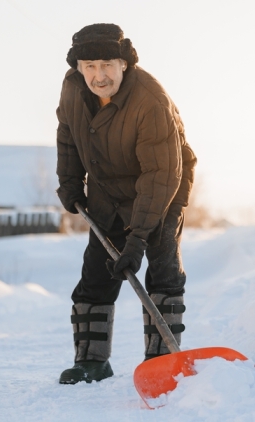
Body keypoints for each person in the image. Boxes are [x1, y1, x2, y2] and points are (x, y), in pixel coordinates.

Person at [55, 23, 196, 384]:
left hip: (162, 186)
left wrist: (137, 240)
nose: (99, 76)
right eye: (90, 65)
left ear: (124, 64)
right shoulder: (73, 89)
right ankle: (92, 362)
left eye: (107, 64)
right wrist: (70, 181)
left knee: (162, 269)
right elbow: (68, 134)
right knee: (96, 273)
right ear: (78, 67)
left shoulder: (150, 100)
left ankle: (161, 362)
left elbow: (161, 174)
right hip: (106, 187)